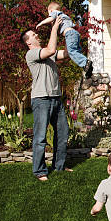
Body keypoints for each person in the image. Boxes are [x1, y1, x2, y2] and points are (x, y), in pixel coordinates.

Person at [21, 18, 73, 181]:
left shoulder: (47, 53)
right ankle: (39, 171)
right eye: (33, 35)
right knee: (40, 137)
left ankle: (59, 165)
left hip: (56, 98)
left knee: (63, 133)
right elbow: (51, 49)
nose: (36, 35)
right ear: (28, 42)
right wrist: (54, 27)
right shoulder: (31, 54)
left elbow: (65, 54)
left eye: (35, 33)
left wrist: (71, 38)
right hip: (41, 99)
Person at [36, 1, 93, 78]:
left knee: (72, 51)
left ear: (51, 10)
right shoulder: (64, 15)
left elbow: (51, 18)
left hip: (69, 34)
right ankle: (86, 67)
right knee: (75, 52)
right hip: (75, 34)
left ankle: (85, 62)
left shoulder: (55, 13)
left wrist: (41, 23)